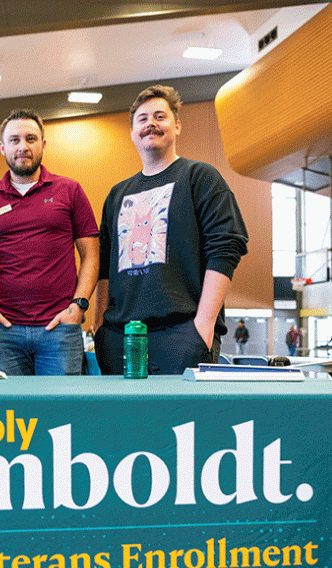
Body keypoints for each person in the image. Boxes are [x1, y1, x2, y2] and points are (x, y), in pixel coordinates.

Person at [94, 85, 248, 375]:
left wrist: (203, 325)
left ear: (176, 126)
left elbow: (226, 248)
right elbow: (104, 266)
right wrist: (100, 326)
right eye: (142, 119)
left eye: (159, 116)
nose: (150, 123)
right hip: (118, 337)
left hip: (182, 335)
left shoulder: (200, 178)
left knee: (181, 421)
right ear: (132, 132)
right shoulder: (117, 195)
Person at [0, 109, 99, 375]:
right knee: (7, 415)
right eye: (14, 140)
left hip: (60, 329)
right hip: (4, 332)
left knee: (61, 412)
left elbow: (91, 256)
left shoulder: (70, 191)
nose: (23, 147)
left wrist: (79, 307)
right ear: (2, 147)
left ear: (43, 144)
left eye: (31, 138)